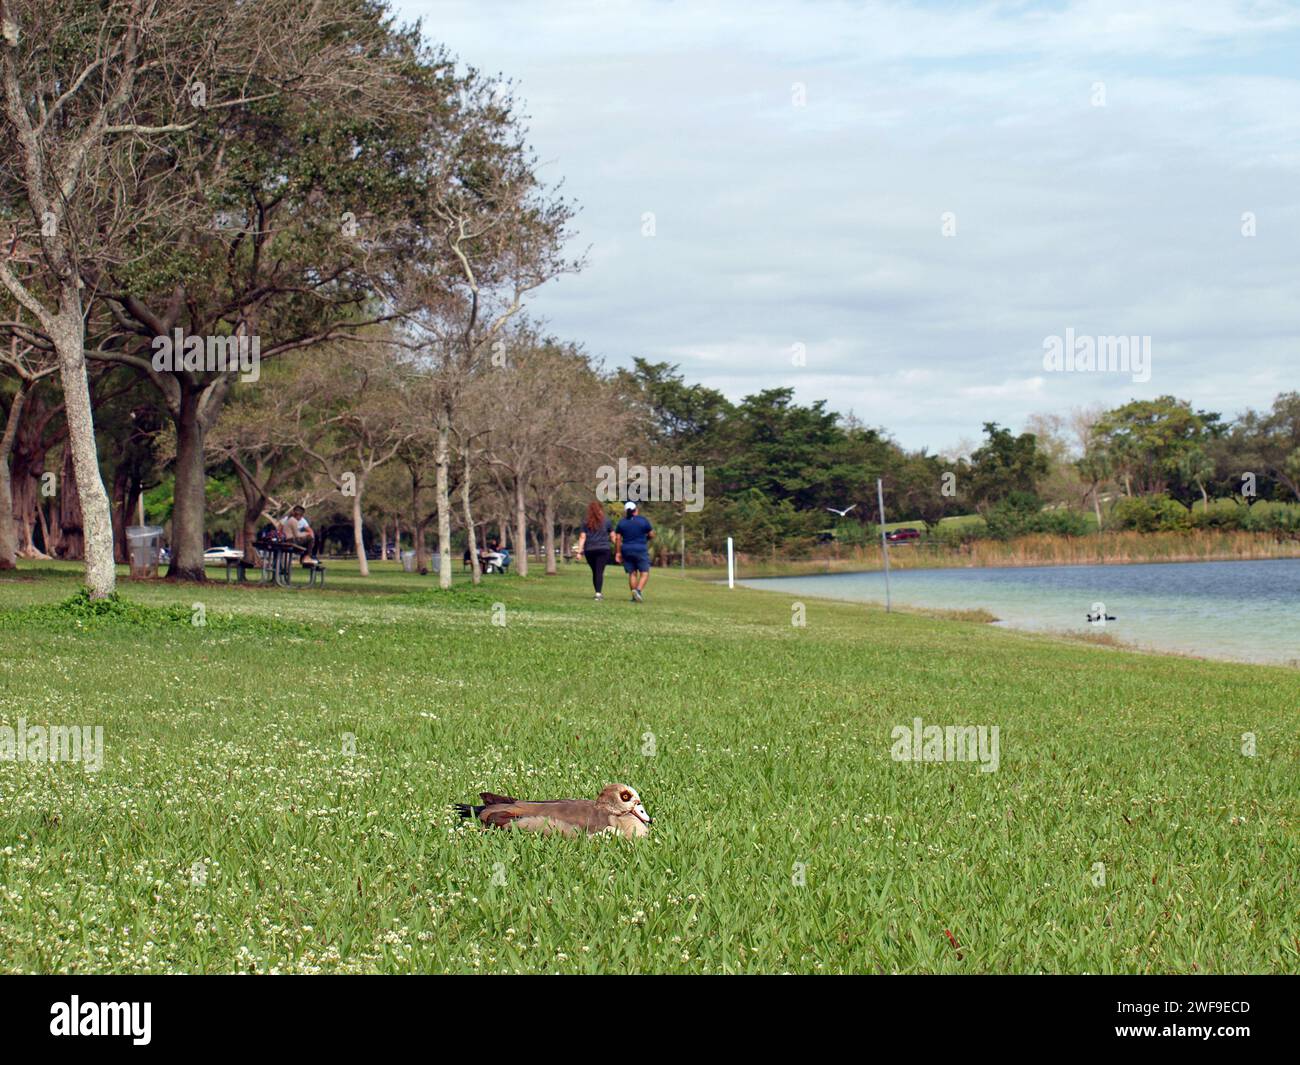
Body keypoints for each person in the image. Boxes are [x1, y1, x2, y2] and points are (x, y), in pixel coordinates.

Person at [613, 501, 653, 602]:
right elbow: (652, 534)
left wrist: (618, 553)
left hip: (626, 549)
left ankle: (634, 597)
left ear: (626, 512)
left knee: (632, 573)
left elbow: (618, 539)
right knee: (644, 573)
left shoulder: (622, 522)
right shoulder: (643, 521)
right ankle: (638, 591)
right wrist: (647, 538)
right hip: (640, 549)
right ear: (636, 510)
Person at [573, 500, 613, 600]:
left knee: (595, 571)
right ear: (600, 509)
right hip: (603, 549)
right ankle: (598, 593)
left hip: (590, 550)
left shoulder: (586, 522)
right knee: (599, 571)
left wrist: (579, 552)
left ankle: (598, 593)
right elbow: (613, 536)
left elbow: (582, 537)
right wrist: (619, 548)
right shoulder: (607, 521)